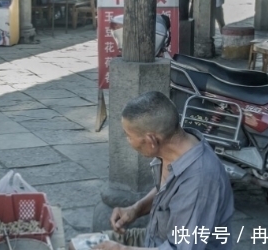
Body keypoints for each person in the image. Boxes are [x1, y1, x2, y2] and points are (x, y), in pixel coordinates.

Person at [87, 91, 234, 250]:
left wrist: (120, 249)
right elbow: (166, 188)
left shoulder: (199, 180)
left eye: (128, 135)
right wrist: (136, 209)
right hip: (153, 239)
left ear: (151, 140)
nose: (128, 140)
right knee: (80, 245)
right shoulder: (176, 147)